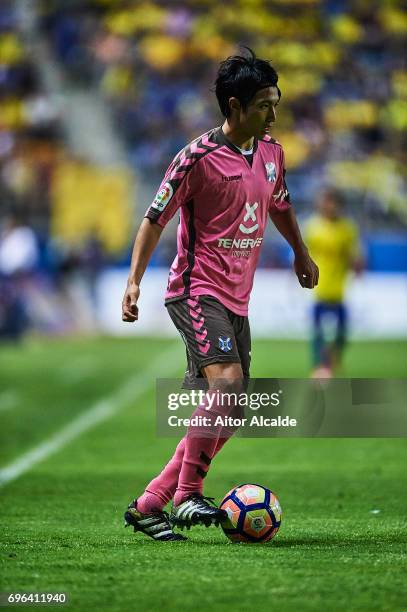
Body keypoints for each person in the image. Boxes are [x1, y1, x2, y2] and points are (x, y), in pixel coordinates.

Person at [122, 48, 318, 541]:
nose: (274, 114)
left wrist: (300, 251)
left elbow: (281, 204)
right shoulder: (197, 158)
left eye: (276, 103)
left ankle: (149, 505)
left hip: (236, 298)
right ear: (235, 106)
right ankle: (188, 496)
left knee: (227, 411)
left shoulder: (272, 153)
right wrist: (133, 280)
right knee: (227, 384)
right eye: (264, 105)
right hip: (195, 289)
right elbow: (154, 219)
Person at [304, 188, 361, 378]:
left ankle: (331, 362)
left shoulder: (347, 229)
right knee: (318, 333)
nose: (327, 206)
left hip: (339, 290)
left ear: (339, 205)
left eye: (331, 202)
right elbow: (303, 254)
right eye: (324, 201)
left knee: (342, 334)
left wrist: (357, 265)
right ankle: (319, 367)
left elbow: (354, 255)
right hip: (318, 289)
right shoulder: (312, 227)